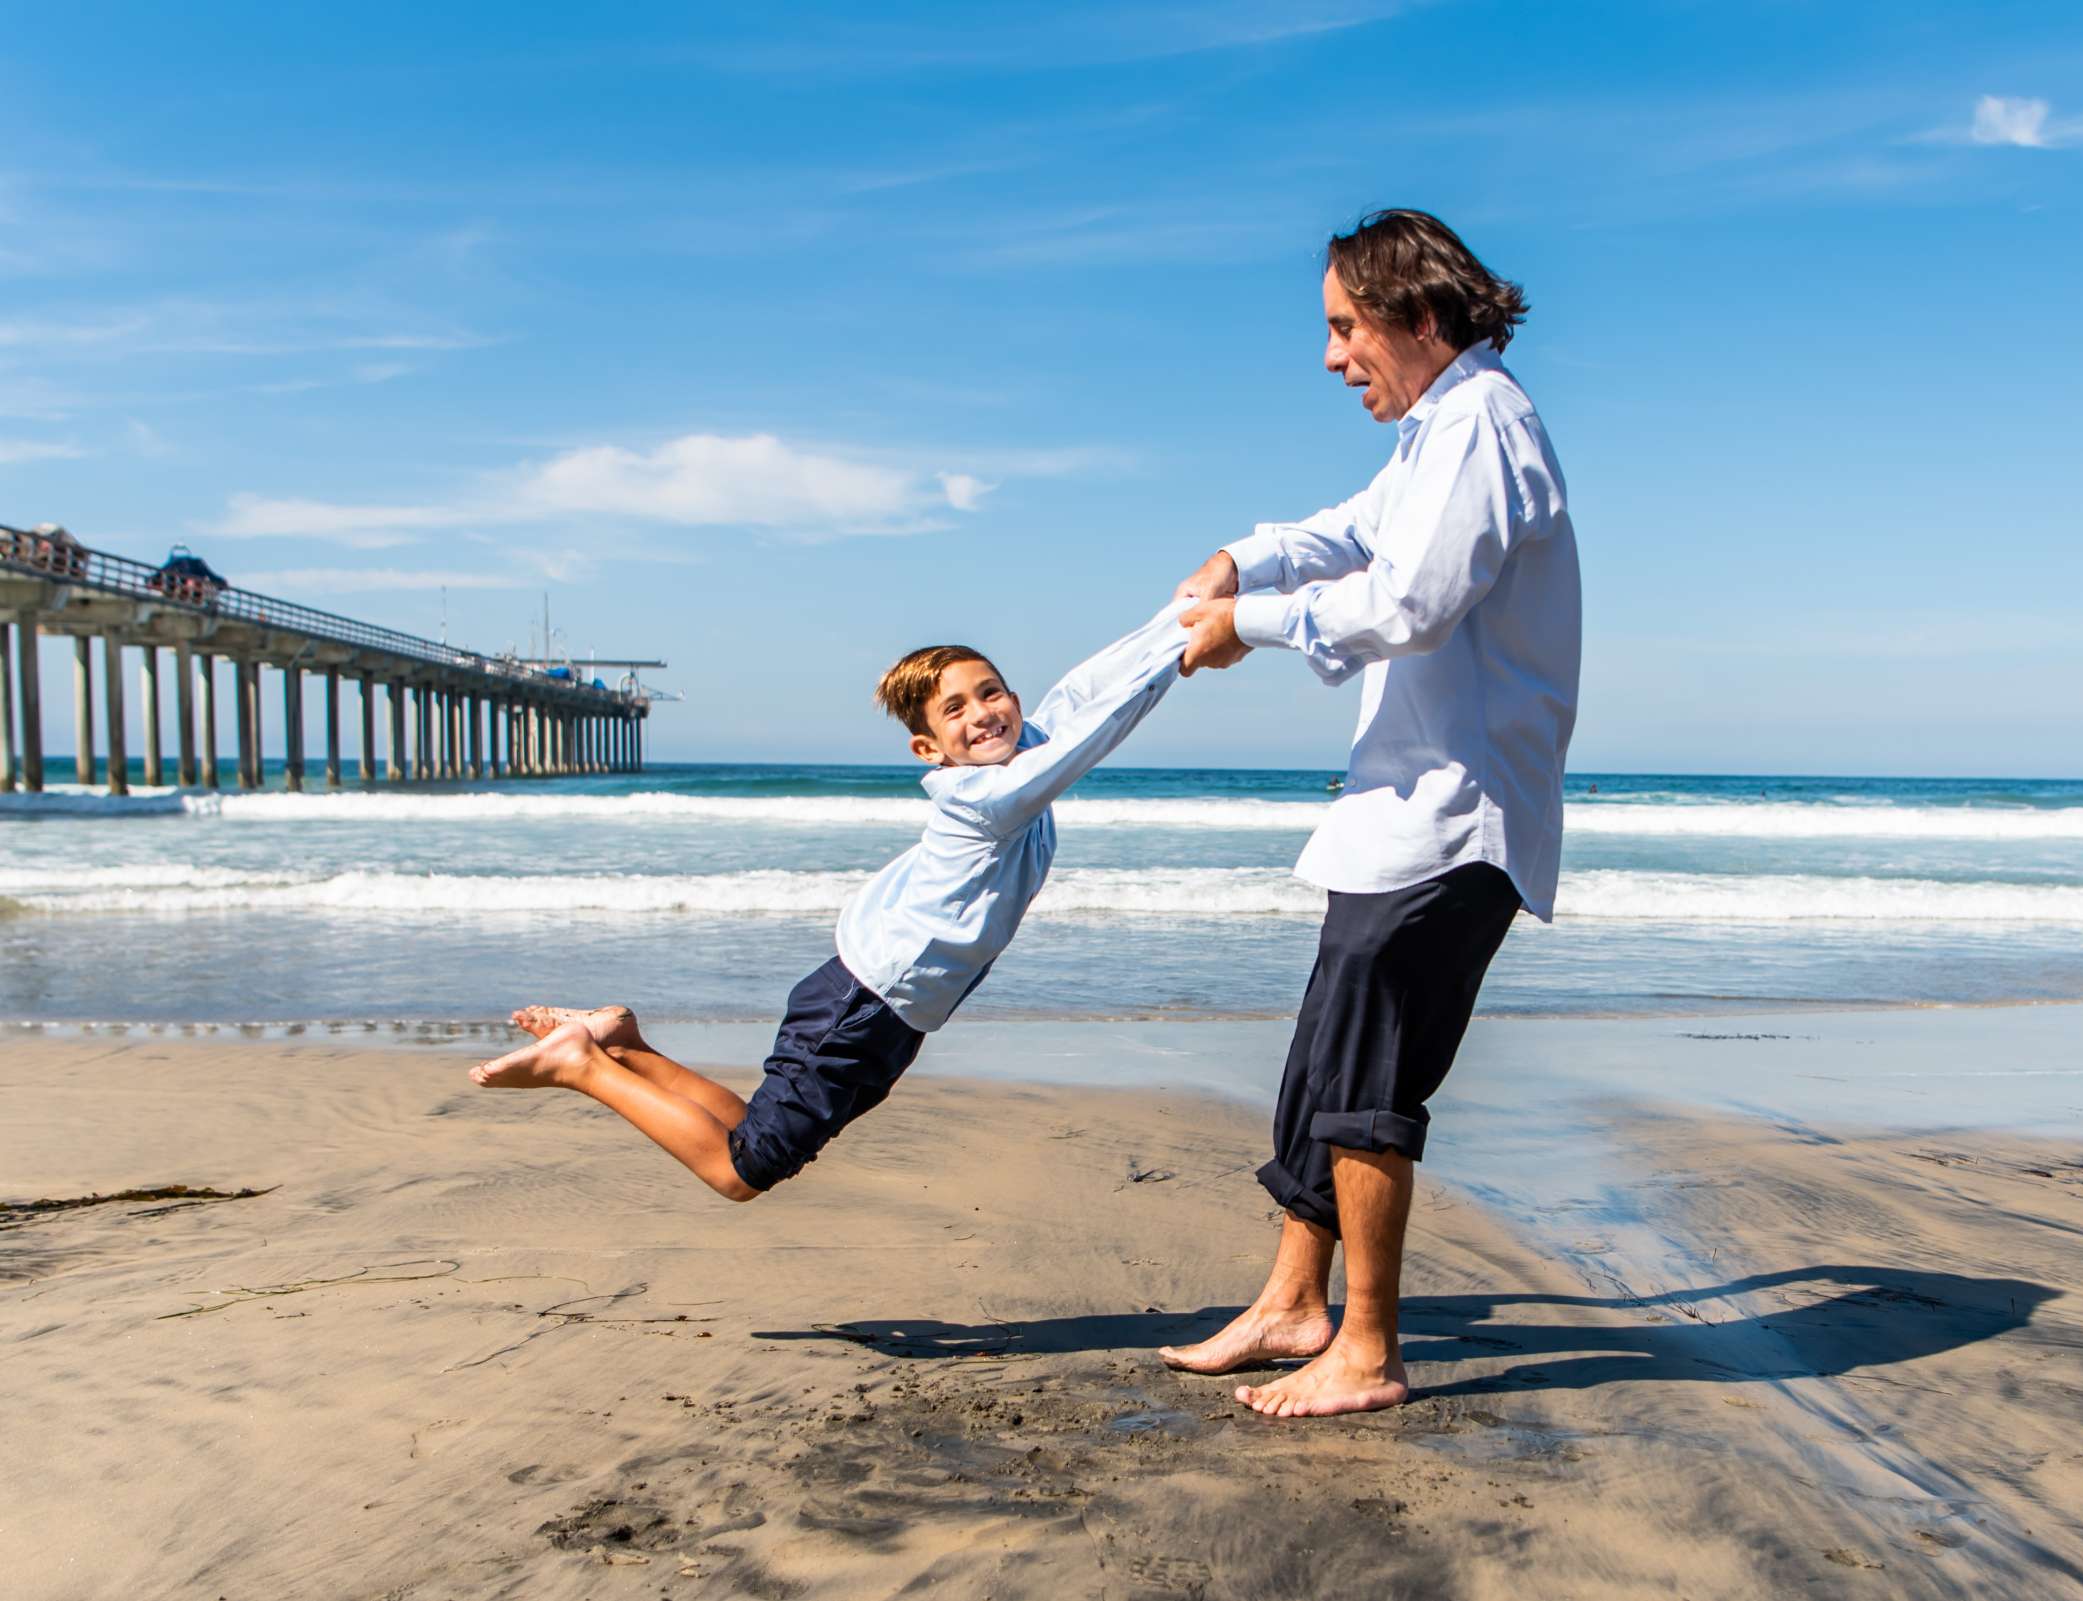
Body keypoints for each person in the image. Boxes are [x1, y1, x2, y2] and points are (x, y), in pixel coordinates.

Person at [1165, 209, 1581, 1418]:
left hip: (1456, 816)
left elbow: (1407, 600)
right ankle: (1294, 1301)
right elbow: (1351, 531)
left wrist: (1250, 622)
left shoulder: (1486, 424)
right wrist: (1248, 559)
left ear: (1422, 316)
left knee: (1370, 1077)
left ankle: (1370, 1345)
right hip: (1396, 809)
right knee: (1321, 1060)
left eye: (1348, 327)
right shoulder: (1431, 436)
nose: (1336, 355)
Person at [469, 605, 1188, 1199]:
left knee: (756, 1135)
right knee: (741, 1171)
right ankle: (581, 1065)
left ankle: (624, 1043)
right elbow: (1097, 731)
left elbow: (1086, 690)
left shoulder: (1021, 755)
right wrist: (1192, 650)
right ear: (927, 748)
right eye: (956, 709)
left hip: (887, 1009)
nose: (984, 714)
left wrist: (1183, 619)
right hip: (865, 1002)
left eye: (992, 691)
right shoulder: (989, 794)